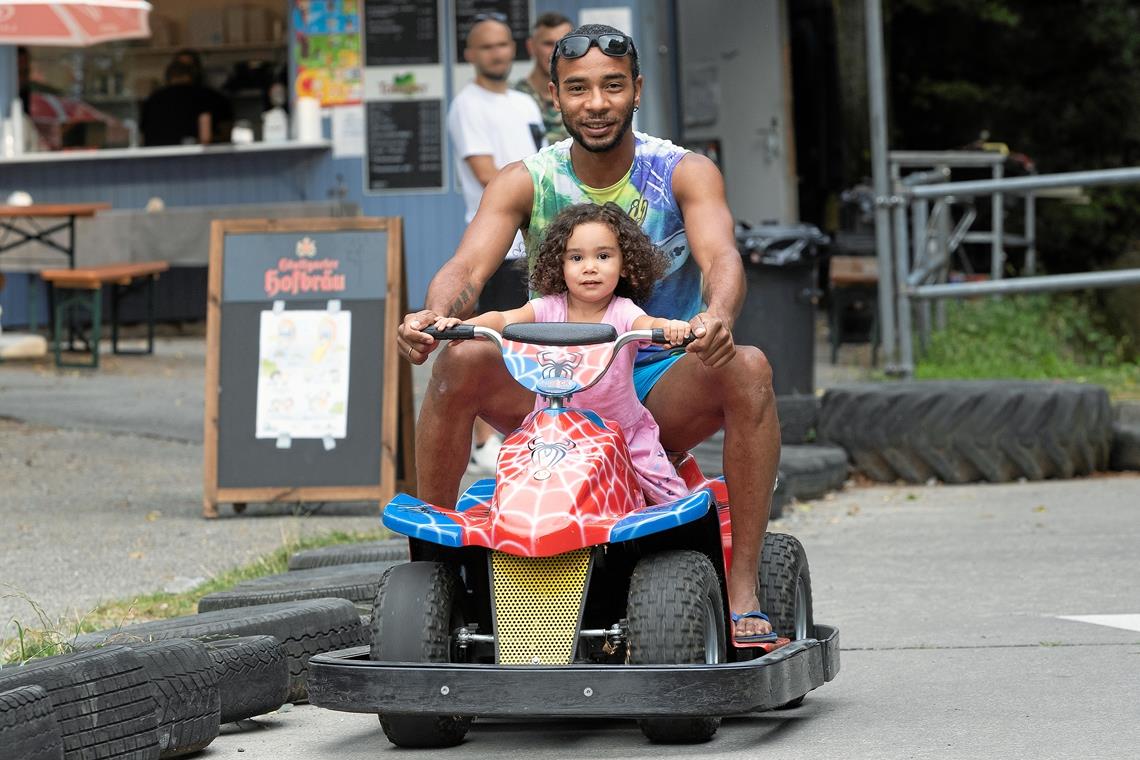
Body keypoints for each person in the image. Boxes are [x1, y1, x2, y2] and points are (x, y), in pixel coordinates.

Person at [399, 24, 780, 642]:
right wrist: (432, 317)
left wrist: (717, 318)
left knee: (750, 367)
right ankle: (436, 584)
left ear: (637, 90)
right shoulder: (526, 178)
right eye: (578, 89)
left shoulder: (684, 171)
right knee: (459, 361)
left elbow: (721, 258)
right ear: (554, 95)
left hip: (652, 384)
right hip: (547, 383)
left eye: (611, 86)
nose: (596, 104)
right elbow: (467, 269)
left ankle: (741, 587)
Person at [435, 202, 695, 506]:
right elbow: (503, 320)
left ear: (624, 264)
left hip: (622, 433)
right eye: (576, 257)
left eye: (603, 256)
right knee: (523, 488)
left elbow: (647, 324)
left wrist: (670, 328)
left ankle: (691, 539)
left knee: (670, 497)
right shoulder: (548, 308)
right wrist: (463, 325)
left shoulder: (623, 312)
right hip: (552, 432)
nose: (590, 267)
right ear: (560, 265)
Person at [448, 13, 545, 474]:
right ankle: (484, 442)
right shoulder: (467, 105)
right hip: (499, 248)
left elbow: (545, 162)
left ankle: (531, 435)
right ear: (470, 55)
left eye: (504, 45)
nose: (497, 53)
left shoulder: (525, 104)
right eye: (487, 47)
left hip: (540, 245)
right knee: (495, 345)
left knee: (537, 346)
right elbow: (489, 176)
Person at [139, 51, 233, 147]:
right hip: (202, 156)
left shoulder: (153, 100)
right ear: (195, 73)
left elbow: (142, 137)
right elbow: (227, 134)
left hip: (158, 156)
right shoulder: (213, 97)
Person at [513, 12, 573, 145]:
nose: (555, 51)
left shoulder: (581, 97)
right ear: (531, 46)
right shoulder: (513, 98)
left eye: (563, 44)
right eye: (548, 44)